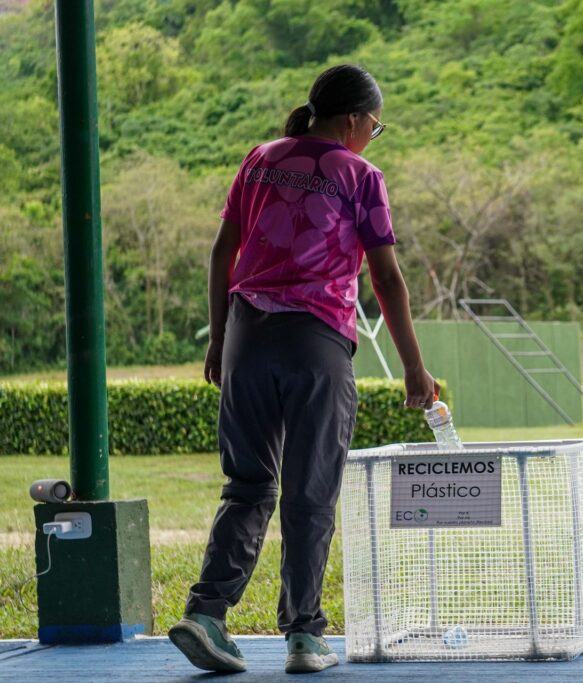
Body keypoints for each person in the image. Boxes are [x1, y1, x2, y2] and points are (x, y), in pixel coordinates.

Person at [167, 64, 439, 675]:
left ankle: (207, 614)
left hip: (244, 336)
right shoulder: (361, 174)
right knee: (310, 495)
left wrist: (218, 340)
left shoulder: (259, 158)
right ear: (352, 121)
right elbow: (386, 277)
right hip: (315, 342)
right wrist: (414, 370)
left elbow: (222, 252)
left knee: (247, 485)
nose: (374, 135)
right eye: (376, 125)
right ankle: (303, 636)